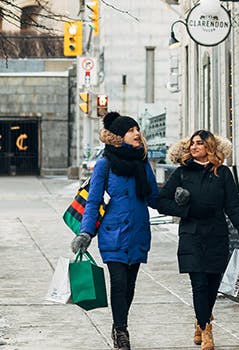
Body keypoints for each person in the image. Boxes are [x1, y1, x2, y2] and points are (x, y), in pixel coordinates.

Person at [156, 130, 239, 350]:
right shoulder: (182, 173)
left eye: (199, 143)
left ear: (210, 148)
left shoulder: (222, 174)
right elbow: (160, 201)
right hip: (191, 235)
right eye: (192, 143)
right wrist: (181, 207)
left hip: (216, 235)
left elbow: (233, 209)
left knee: (212, 285)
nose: (194, 147)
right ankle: (206, 330)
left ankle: (200, 318)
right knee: (199, 283)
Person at [71, 112, 158, 350]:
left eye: (137, 129)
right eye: (131, 130)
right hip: (113, 234)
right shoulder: (105, 164)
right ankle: (121, 330)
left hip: (138, 232)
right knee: (119, 282)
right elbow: (93, 201)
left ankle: (120, 323)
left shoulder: (143, 163)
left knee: (130, 285)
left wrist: (180, 199)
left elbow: (154, 197)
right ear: (120, 136)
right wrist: (86, 232)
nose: (137, 133)